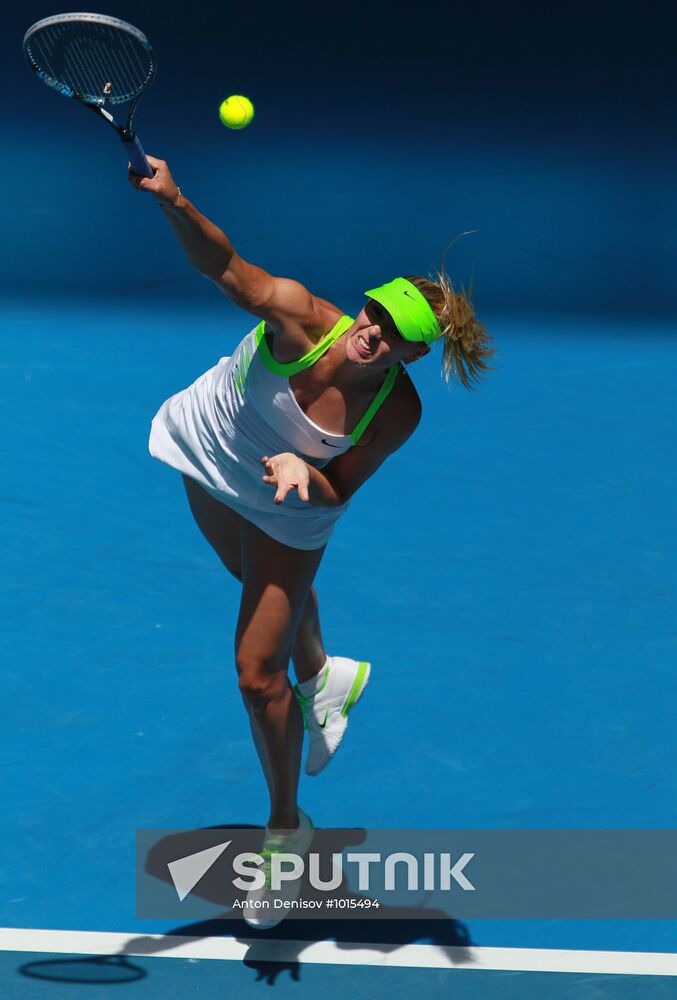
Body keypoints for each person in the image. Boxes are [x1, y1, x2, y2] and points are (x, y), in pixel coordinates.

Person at [129, 155, 494, 927]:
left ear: (413, 355)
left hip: (291, 504)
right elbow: (224, 266)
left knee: (256, 675)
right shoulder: (298, 316)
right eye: (375, 314)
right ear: (364, 307)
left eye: (396, 335)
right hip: (206, 450)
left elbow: (340, 491)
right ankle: (326, 671)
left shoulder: (395, 414)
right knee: (255, 589)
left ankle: (285, 827)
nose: (375, 333)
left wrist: (305, 467)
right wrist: (173, 199)